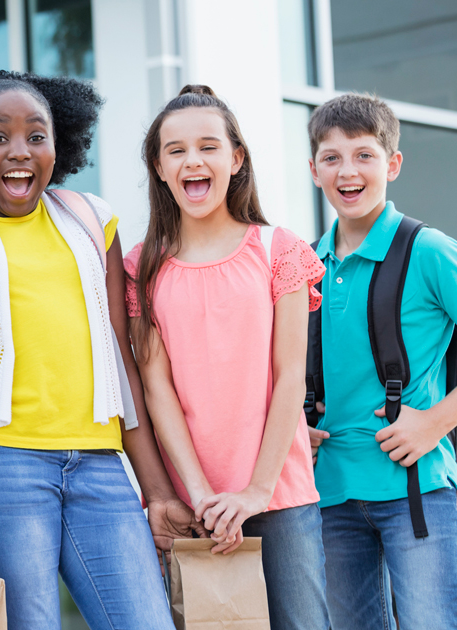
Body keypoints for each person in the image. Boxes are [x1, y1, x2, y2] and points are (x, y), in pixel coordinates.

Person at [0, 70, 194, 630]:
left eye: (37, 136)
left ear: (58, 146)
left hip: (101, 468)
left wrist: (156, 492)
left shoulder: (90, 220)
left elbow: (118, 357)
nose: (19, 152)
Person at [126, 85, 329, 630]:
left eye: (209, 146)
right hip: (196, 506)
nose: (193, 160)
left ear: (236, 159)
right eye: (176, 150)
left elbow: (291, 379)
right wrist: (202, 497)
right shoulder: (140, 266)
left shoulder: (278, 249)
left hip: (279, 495)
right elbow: (156, 389)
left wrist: (255, 491)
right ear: (159, 166)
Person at [307, 93, 457, 630]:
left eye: (364, 155)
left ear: (393, 164)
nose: (348, 171)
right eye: (332, 158)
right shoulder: (305, 265)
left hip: (416, 492)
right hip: (329, 496)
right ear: (313, 170)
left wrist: (434, 422)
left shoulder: (431, 251)